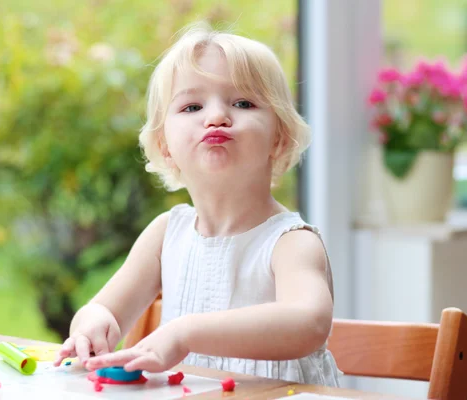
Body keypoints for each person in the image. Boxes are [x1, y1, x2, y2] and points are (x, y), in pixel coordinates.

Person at [54, 21, 341, 386]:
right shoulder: (165, 234)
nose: (216, 115)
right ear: (164, 146)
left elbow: (309, 323)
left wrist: (185, 332)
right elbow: (101, 308)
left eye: (242, 102)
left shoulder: (291, 241)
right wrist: (92, 325)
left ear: (279, 138)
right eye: (192, 106)